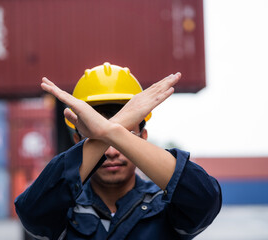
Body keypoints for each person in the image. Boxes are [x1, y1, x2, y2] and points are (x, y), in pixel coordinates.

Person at [15, 63, 222, 239]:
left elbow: (204, 200)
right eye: (99, 140)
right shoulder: (64, 208)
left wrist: (104, 131)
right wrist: (116, 128)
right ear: (77, 141)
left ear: (143, 138)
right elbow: (32, 212)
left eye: (124, 136)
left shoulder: (164, 205)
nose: (112, 151)